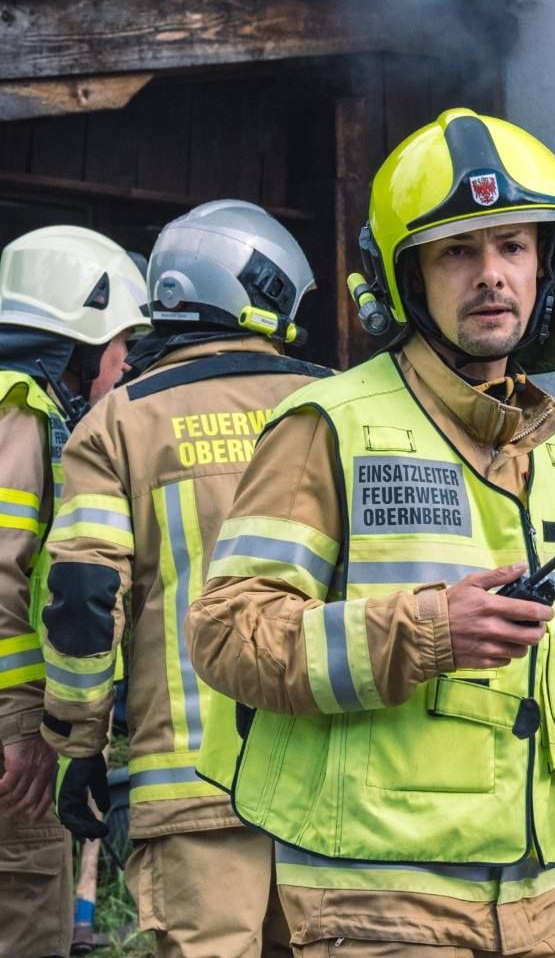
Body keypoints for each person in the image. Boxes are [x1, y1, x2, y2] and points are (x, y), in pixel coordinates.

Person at [186, 108, 555, 957]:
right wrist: (428, 630)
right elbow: (228, 635)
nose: (491, 275)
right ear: (406, 277)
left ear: (548, 264)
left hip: (533, 895)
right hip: (374, 902)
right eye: (457, 252)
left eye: (513, 246)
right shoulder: (328, 425)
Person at [38, 201, 329, 957]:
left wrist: (79, 745)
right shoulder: (337, 406)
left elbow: (83, 602)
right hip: (332, 778)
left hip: (192, 785)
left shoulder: (119, 422)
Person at [0, 226, 148, 958]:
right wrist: (24, 726)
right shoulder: (22, 415)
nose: (125, 366)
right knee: (27, 920)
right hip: (10, 739)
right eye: (120, 346)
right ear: (78, 346)